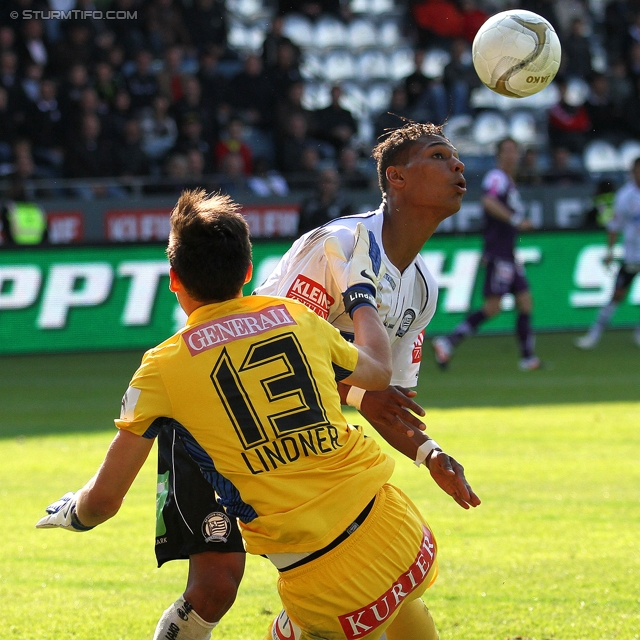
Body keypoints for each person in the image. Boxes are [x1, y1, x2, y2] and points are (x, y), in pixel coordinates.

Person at [36, 188, 481, 640]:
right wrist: (361, 293)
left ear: (173, 279)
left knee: (324, 617)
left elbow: (104, 502)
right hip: (399, 529)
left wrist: (72, 512)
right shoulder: (294, 315)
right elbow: (380, 371)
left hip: (324, 574)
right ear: (248, 271)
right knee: (401, 611)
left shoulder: (162, 368)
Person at [153, 121, 479, 639]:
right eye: (439, 156)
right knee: (217, 584)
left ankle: (300, 623)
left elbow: (387, 403)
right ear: (395, 178)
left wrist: (430, 454)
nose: (457, 165)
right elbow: (282, 353)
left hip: (288, 440)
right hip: (212, 414)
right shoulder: (337, 246)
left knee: (385, 594)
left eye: (456, 157)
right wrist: (360, 393)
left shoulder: (421, 289)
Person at [432, 137, 542, 372]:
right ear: (499, 154)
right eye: (508, 151)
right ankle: (448, 342)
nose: (512, 155)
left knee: (525, 302)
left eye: (515, 151)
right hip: (498, 253)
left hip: (508, 254)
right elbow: (488, 201)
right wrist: (515, 219)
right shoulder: (496, 178)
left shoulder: (509, 181)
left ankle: (528, 358)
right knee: (493, 307)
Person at [575, 156, 640, 349]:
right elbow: (614, 226)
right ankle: (593, 335)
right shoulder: (624, 196)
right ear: (632, 172)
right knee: (617, 295)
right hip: (632, 254)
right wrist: (610, 251)